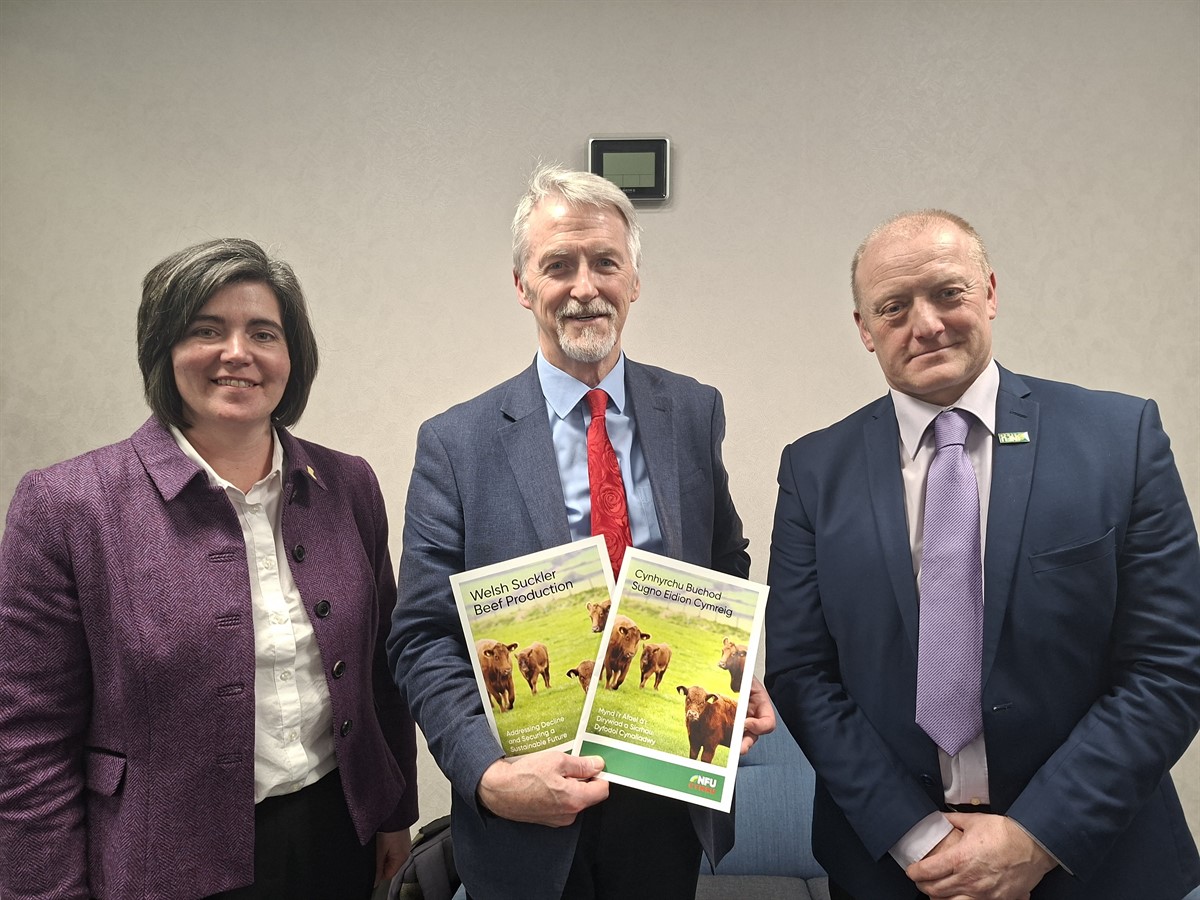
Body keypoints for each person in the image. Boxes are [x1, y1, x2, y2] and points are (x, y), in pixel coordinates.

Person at [764, 210, 1200, 900]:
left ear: (990, 292)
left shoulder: (1121, 442)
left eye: (948, 293)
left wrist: (1037, 837)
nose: (926, 324)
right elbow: (801, 671)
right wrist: (916, 837)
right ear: (864, 329)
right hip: (898, 871)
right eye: (894, 307)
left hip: (1096, 863)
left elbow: (1170, 665)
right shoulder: (814, 472)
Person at [387, 164, 775, 900]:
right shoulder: (456, 443)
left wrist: (744, 668)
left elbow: (724, 562)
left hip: (667, 795)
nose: (584, 286)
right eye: (557, 265)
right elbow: (422, 637)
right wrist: (487, 775)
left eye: (605, 262)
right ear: (522, 285)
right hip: (527, 805)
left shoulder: (693, 411)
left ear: (634, 280)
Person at [0, 238, 419, 900]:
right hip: (158, 866)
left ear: (292, 358)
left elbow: (379, 671)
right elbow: (26, 741)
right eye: (206, 330)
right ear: (164, 351)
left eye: (262, 333)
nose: (237, 353)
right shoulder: (67, 506)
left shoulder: (348, 484)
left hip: (339, 841)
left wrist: (395, 812)